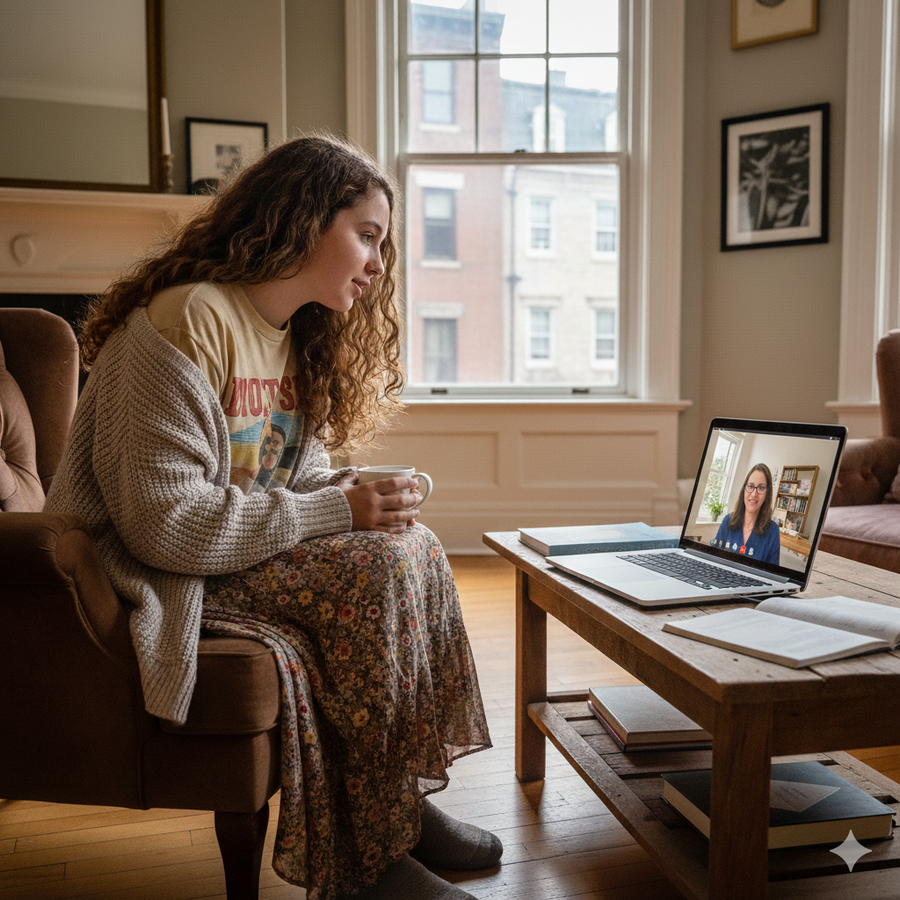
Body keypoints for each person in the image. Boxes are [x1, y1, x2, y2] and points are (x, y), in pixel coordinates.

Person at [45, 134, 500, 900]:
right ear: (304, 216)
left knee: (411, 543)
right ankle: (373, 863)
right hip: (151, 566)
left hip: (233, 551)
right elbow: (163, 525)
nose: (379, 263)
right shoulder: (189, 320)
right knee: (379, 566)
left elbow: (298, 474)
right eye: (368, 235)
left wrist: (355, 493)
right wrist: (334, 510)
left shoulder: (297, 336)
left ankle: (401, 807)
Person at [711, 463, 781, 565]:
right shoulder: (728, 521)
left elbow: (773, 575)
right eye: (750, 486)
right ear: (744, 489)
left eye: (761, 488)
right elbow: (713, 559)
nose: (754, 494)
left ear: (767, 494)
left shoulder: (772, 531)